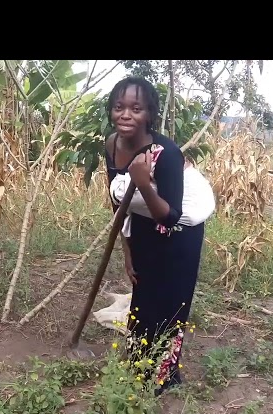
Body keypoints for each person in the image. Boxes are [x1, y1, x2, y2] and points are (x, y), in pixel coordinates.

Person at [104, 77, 209, 396]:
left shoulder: (167, 154)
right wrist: (126, 248)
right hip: (144, 223)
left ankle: (165, 376)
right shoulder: (111, 144)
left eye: (136, 108)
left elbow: (172, 214)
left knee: (171, 301)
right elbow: (117, 199)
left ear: (150, 114)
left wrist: (143, 182)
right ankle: (138, 363)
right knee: (143, 293)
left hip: (180, 233)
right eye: (119, 107)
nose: (126, 115)